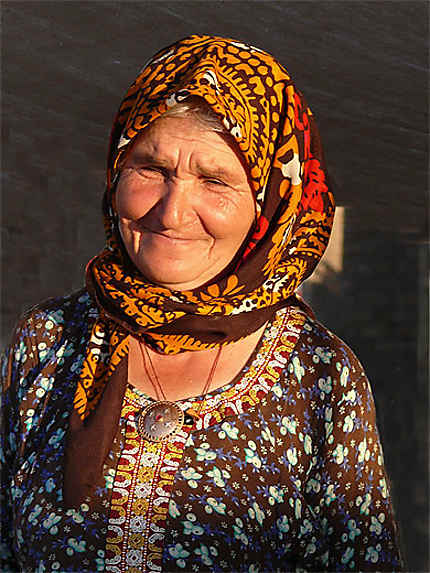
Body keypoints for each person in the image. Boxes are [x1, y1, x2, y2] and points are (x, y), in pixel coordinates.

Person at [0, 34, 403, 572]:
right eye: (151, 169)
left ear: (270, 203)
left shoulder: (319, 376)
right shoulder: (48, 342)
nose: (171, 212)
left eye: (215, 180)